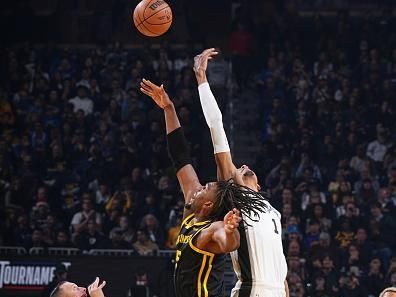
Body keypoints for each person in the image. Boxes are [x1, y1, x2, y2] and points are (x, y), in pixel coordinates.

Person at [139, 78, 268, 297]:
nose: (197, 187)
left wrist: (229, 230)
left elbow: (228, 243)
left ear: (207, 204)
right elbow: (180, 157)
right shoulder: (192, 209)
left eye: (204, 187)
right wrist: (169, 109)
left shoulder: (210, 230)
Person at [193, 48, 289, 297]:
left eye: (247, 168)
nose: (243, 166)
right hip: (251, 291)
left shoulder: (273, 211)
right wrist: (202, 80)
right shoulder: (235, 198)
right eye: (239, 167)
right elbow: (217, 126)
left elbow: (281, 268)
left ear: (258, 187)